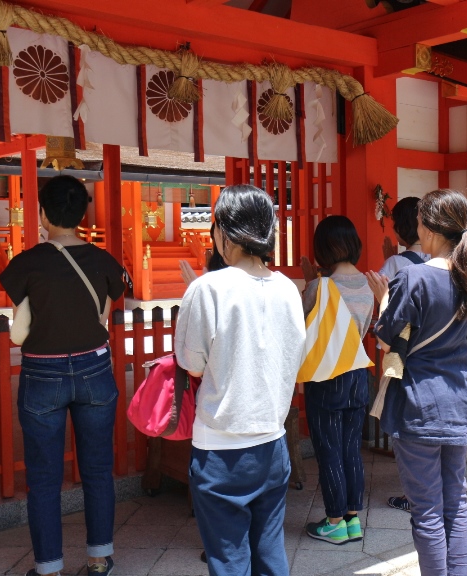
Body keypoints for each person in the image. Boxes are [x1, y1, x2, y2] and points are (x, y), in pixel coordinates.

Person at [175, 184, 306, 576]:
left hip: (220, 449)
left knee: (229, 559)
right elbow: (294, 355)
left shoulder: (206, 288)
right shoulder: (287, 288)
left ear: (223, 233)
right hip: (272, 441)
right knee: (270, 553)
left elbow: (191, 364)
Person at [0, 175, 125, 576]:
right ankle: (99, 559)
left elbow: (22, 322)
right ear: (82, 214)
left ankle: (49, 567)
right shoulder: (104, 260)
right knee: (98, 471)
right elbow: (112, 304)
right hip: (95, 369)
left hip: (43, 374)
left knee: (44, 477)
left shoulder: (27, 262)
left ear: (43, 213)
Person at [366, 188, 467, 576]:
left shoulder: (412, 277)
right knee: (456, 504)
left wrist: (383, 299)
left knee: (427, 511)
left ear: (428, 228)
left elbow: (385, 336)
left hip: (418, 404)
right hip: (457, 399)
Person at [300, 215, 374, 545]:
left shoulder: (319, 287)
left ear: (324, 249)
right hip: (358, 374)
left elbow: (304, 328)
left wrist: (308, 283)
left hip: (327, 376)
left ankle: (333, 522)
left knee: (328, 449)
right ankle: (352, 520)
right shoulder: (369, 285)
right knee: (350, 449)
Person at [379, 196, 430, 513]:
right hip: (433, 349)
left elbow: (388, 313)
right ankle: (429, 489)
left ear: (399, 229)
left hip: (403, 350)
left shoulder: (394, 265)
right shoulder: (437, 260)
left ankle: (415, 493)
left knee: (405, 421)